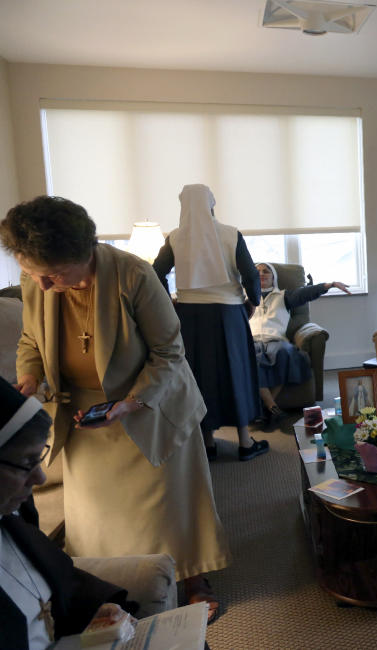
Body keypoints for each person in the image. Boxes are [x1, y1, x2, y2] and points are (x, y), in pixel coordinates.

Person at [1, 195, 231, 624]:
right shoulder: (38, 279)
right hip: (82, 416)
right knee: (96, 516)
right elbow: (31, 341)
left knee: (171, 503)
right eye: (34, 275)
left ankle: (192, 577)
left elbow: (169, 352)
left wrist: (131, 402)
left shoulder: (134, 274)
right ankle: (109, 584)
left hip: (150, 402)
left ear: (82, 254)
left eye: (53, 276)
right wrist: (30, 377)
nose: (43, 286)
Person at [0, 379, 138, 649]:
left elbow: (54, 574)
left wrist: (95, 608)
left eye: (39, 458)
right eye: (26, 463)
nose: (40, 477)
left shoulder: (18, 511)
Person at [153, 184, 267, 462]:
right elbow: (251, 275)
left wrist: (170, 302)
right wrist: (254, 301)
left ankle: (208, 443)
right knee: (235, 373)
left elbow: (156, 272)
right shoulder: (230, 234)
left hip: (190, 316)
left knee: (199, 375)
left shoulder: (175, 238)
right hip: (229, 313)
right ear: (212, 205)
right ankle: (244, 441)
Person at [249, 262, 350, 428]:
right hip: (252, 341)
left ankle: (267, 407)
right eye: (258, 271)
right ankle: (272, 407)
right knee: (249, 357)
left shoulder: (284, 296)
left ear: (273, 277)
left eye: (266, 271)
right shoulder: (245, 297)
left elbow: (305, 293)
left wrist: (329, 285)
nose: (261, 274)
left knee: (287, 354)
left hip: (277, 340)